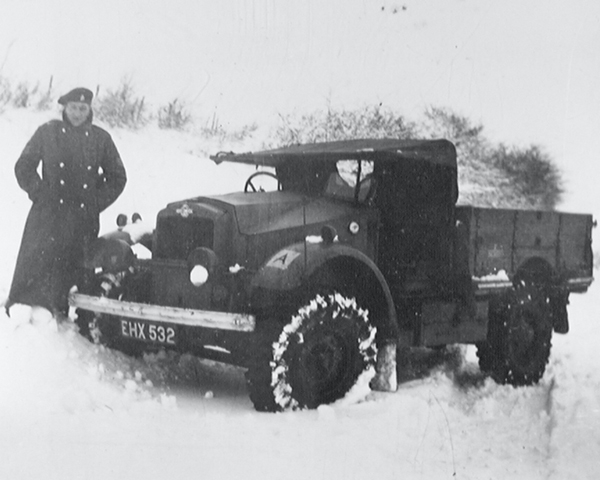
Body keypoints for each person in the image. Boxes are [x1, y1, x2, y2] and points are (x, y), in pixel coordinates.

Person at [6, 87, 127, 322]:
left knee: (75, 270)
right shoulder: (47, 132)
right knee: (37, 268)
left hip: (82, 220)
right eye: (73, 108)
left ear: (90, 109)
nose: (77, 113)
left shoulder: (101, 139)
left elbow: (118, 177)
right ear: (65, 107)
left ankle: (67, 318)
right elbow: (23, 166)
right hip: (48, 217)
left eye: (83, 109)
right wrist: (40, 193)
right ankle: (27, 315)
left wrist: (95, 203)